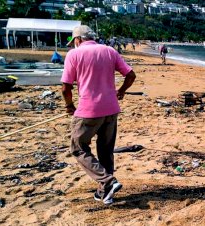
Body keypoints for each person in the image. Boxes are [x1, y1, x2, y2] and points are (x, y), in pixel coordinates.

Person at [61, 25, 136, 204]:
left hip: (88, 110)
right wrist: (121, 91)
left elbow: (66, 87)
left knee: (78, 147)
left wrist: (70, 105)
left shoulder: (74, 54)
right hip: (110, 109)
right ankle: (105, 192)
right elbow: (131, 75)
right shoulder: (109, 51)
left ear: (78, 40)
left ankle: (108, 182)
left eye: (74, 42)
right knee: (105, 150)